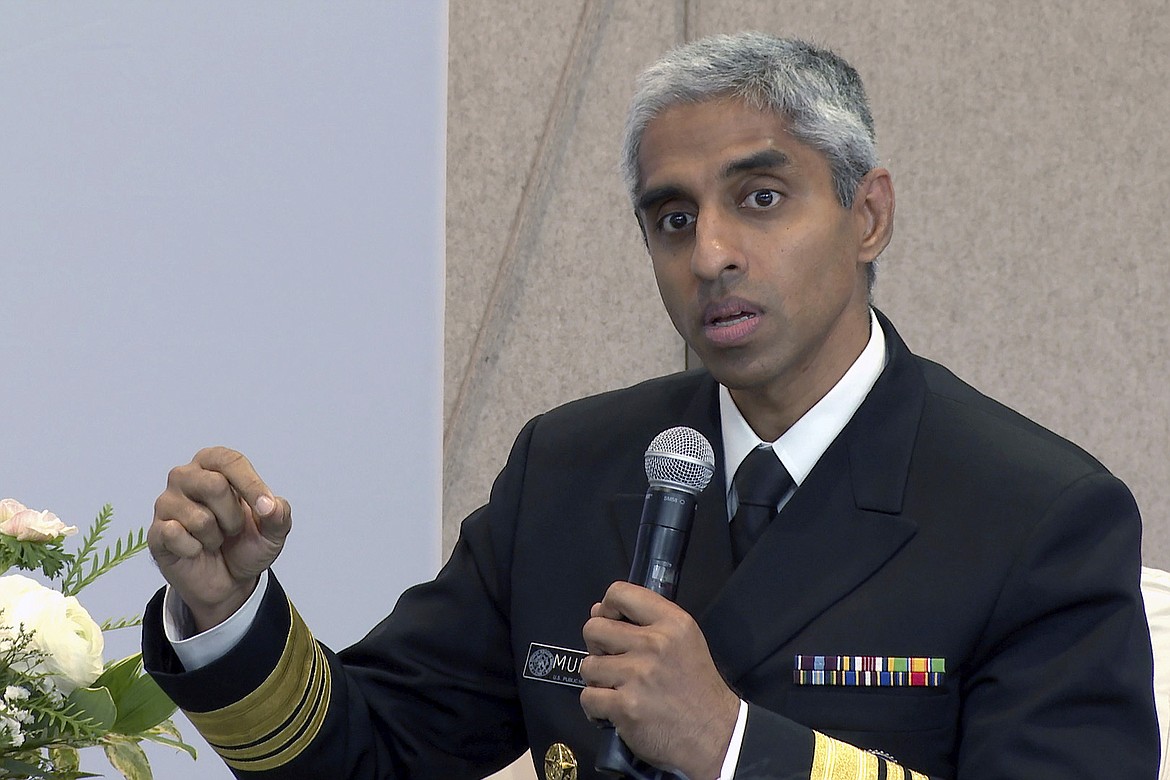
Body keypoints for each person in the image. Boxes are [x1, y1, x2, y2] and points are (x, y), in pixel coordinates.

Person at [143, 32, 1158, 780]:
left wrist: (733, 747)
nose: (710, 252)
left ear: (868, 215)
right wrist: (229, 615)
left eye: (760, 198)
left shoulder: (1034, 514)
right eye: (671, 217)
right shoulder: (573, 468)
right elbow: (376, 757)